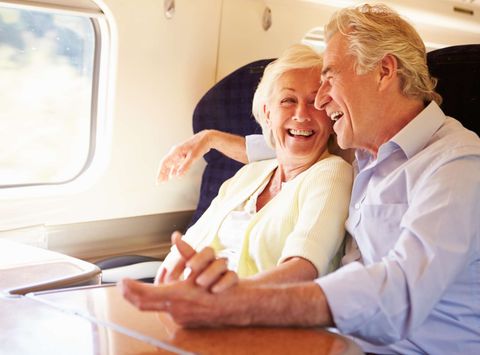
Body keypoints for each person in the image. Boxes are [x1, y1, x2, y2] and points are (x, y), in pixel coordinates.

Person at [121, 4, 480, 354]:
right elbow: (287, 149)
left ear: (384, 71)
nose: (321, 102)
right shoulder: (366, 155)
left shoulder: (457, 165)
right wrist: (211, 139)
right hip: (333, 341)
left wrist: (243, 303)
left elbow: (399, 291)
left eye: (329, 77)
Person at [156, 44, 353, 288]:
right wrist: (164, 290)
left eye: (314, 102)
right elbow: (185, 248)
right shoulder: (248, 175)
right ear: (267, 113)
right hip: (191, 302)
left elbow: (303, 270)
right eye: (288, 100)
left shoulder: (332, 173)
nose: (302, 114)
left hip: (255, 314)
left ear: (329, 113)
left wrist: (226, 299)